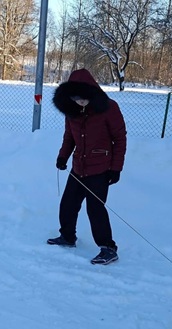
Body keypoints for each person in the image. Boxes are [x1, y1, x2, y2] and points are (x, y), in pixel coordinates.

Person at [48, 68, 127, 265]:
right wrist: (63, 156)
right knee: (68, 204)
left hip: (101, 168)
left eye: (84, 97)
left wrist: (116, 168)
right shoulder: (71, 111)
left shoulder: (109, 108)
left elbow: (119, 139)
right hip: (79, 167)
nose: (81, 101)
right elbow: (69, 137)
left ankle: (108, 248)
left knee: (95, 208)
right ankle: (67, 236)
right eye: (76, 98)